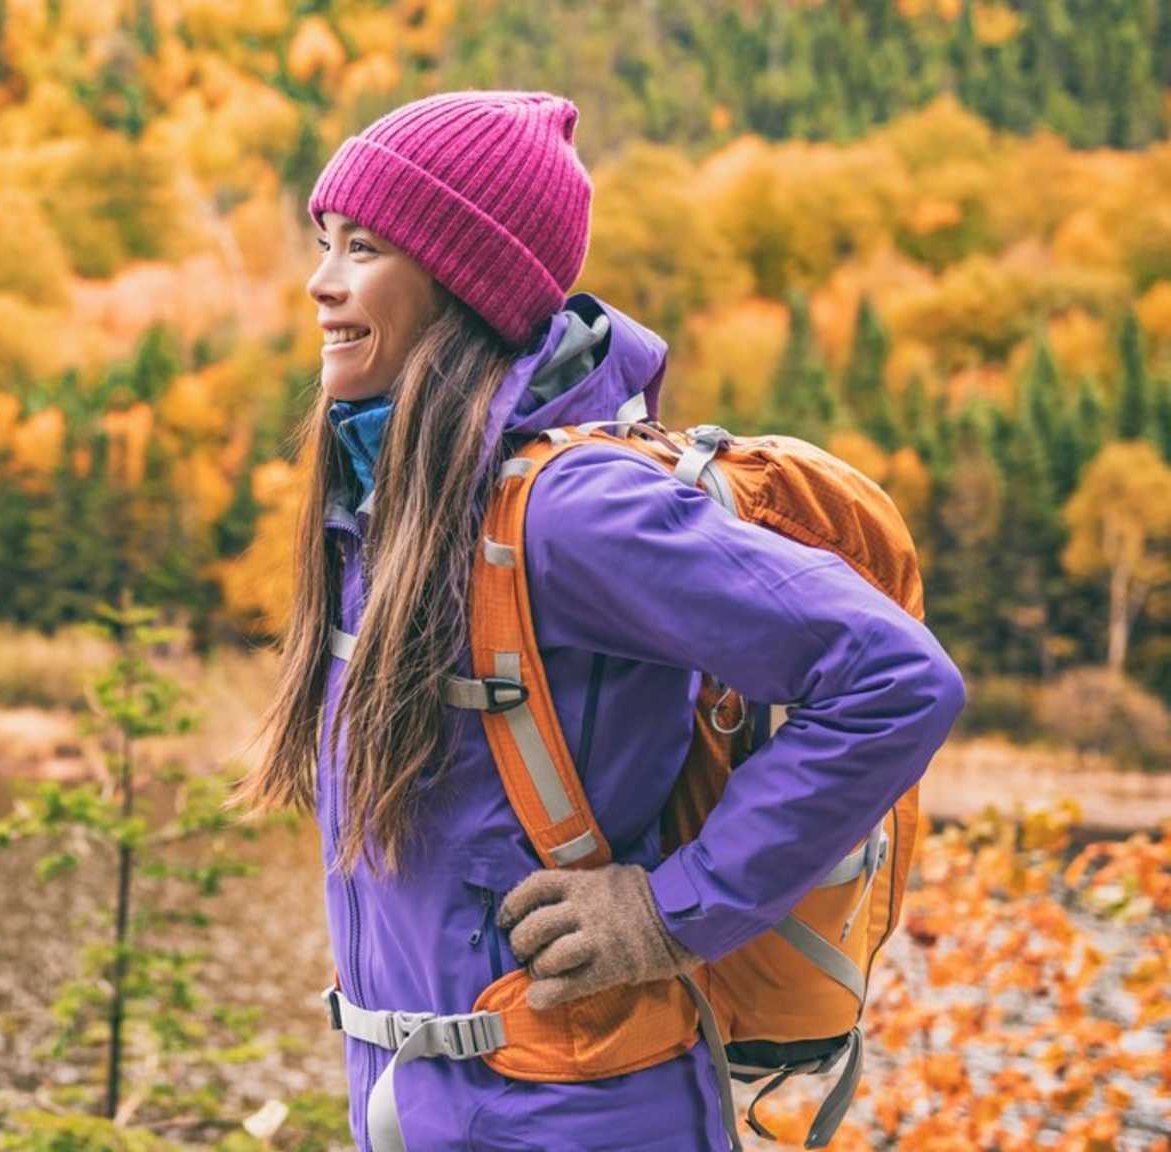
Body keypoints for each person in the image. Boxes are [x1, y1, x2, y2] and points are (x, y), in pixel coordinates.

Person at [227, 91, 967, 1151]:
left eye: (364, 248)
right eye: (324, 243)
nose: (321, 280)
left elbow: (896, 681)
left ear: (464, 286)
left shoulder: (572, 511)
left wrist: (670, 913)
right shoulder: (390, 503)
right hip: (432, 1109)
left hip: (579, 1117)